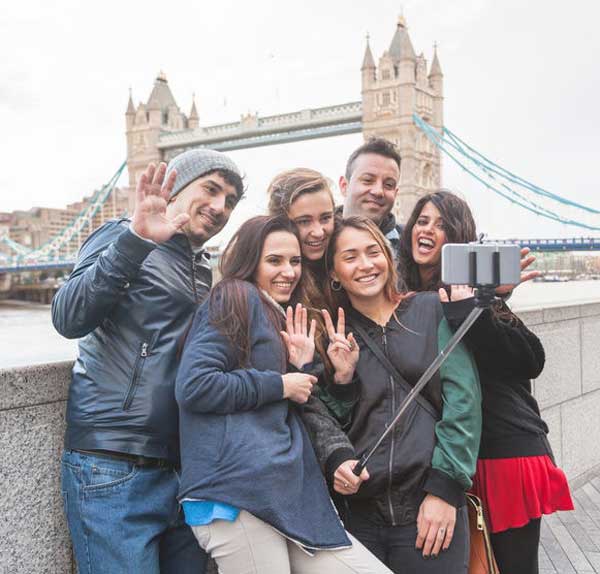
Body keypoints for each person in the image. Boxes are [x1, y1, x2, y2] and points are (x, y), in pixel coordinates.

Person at [52, 148, 244, 574]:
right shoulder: (124, 234)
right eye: (211, 190)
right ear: (175, 186)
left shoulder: (201, 266)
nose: (220, 207)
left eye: (230, 200)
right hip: (114, 466)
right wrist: (135, 242)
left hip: (180, 471)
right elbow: (67, 316)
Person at [175, 215, 392, 574]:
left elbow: (286, 405)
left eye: (295, 261)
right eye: (274, 261)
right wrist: (282, 383)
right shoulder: (234, 295)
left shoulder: (275, 315)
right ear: (250, 260)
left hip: (282, 499)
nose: (289, 271)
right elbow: (195, 385)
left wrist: (307, 370)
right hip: (235, 497)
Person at [398, 190, 574, 574]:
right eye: (422, 221)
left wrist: (481, 306)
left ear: (457, 238)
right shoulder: (404, 295)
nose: (428, 230)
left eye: (442, 225)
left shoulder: (474, 292)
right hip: (459, 457)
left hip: (505, 452)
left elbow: (531, 359)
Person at [316, 216, 482, 573]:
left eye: (373, 252)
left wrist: (444, 490)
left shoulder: (431, 309)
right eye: (350, 257)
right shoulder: (329, 333)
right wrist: (342, 381)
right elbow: (328, 422)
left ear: (388, 258)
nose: (365, 264)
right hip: (359, 517)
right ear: (334, 273)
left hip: (427, 507)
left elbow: (463, 402)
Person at [339, 137, 403, 257]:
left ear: (395, 193)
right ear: (344, 186)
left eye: (388, 185)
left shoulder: (410, 247)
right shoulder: (319, 244)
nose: (378, 191)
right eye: (368, 180)